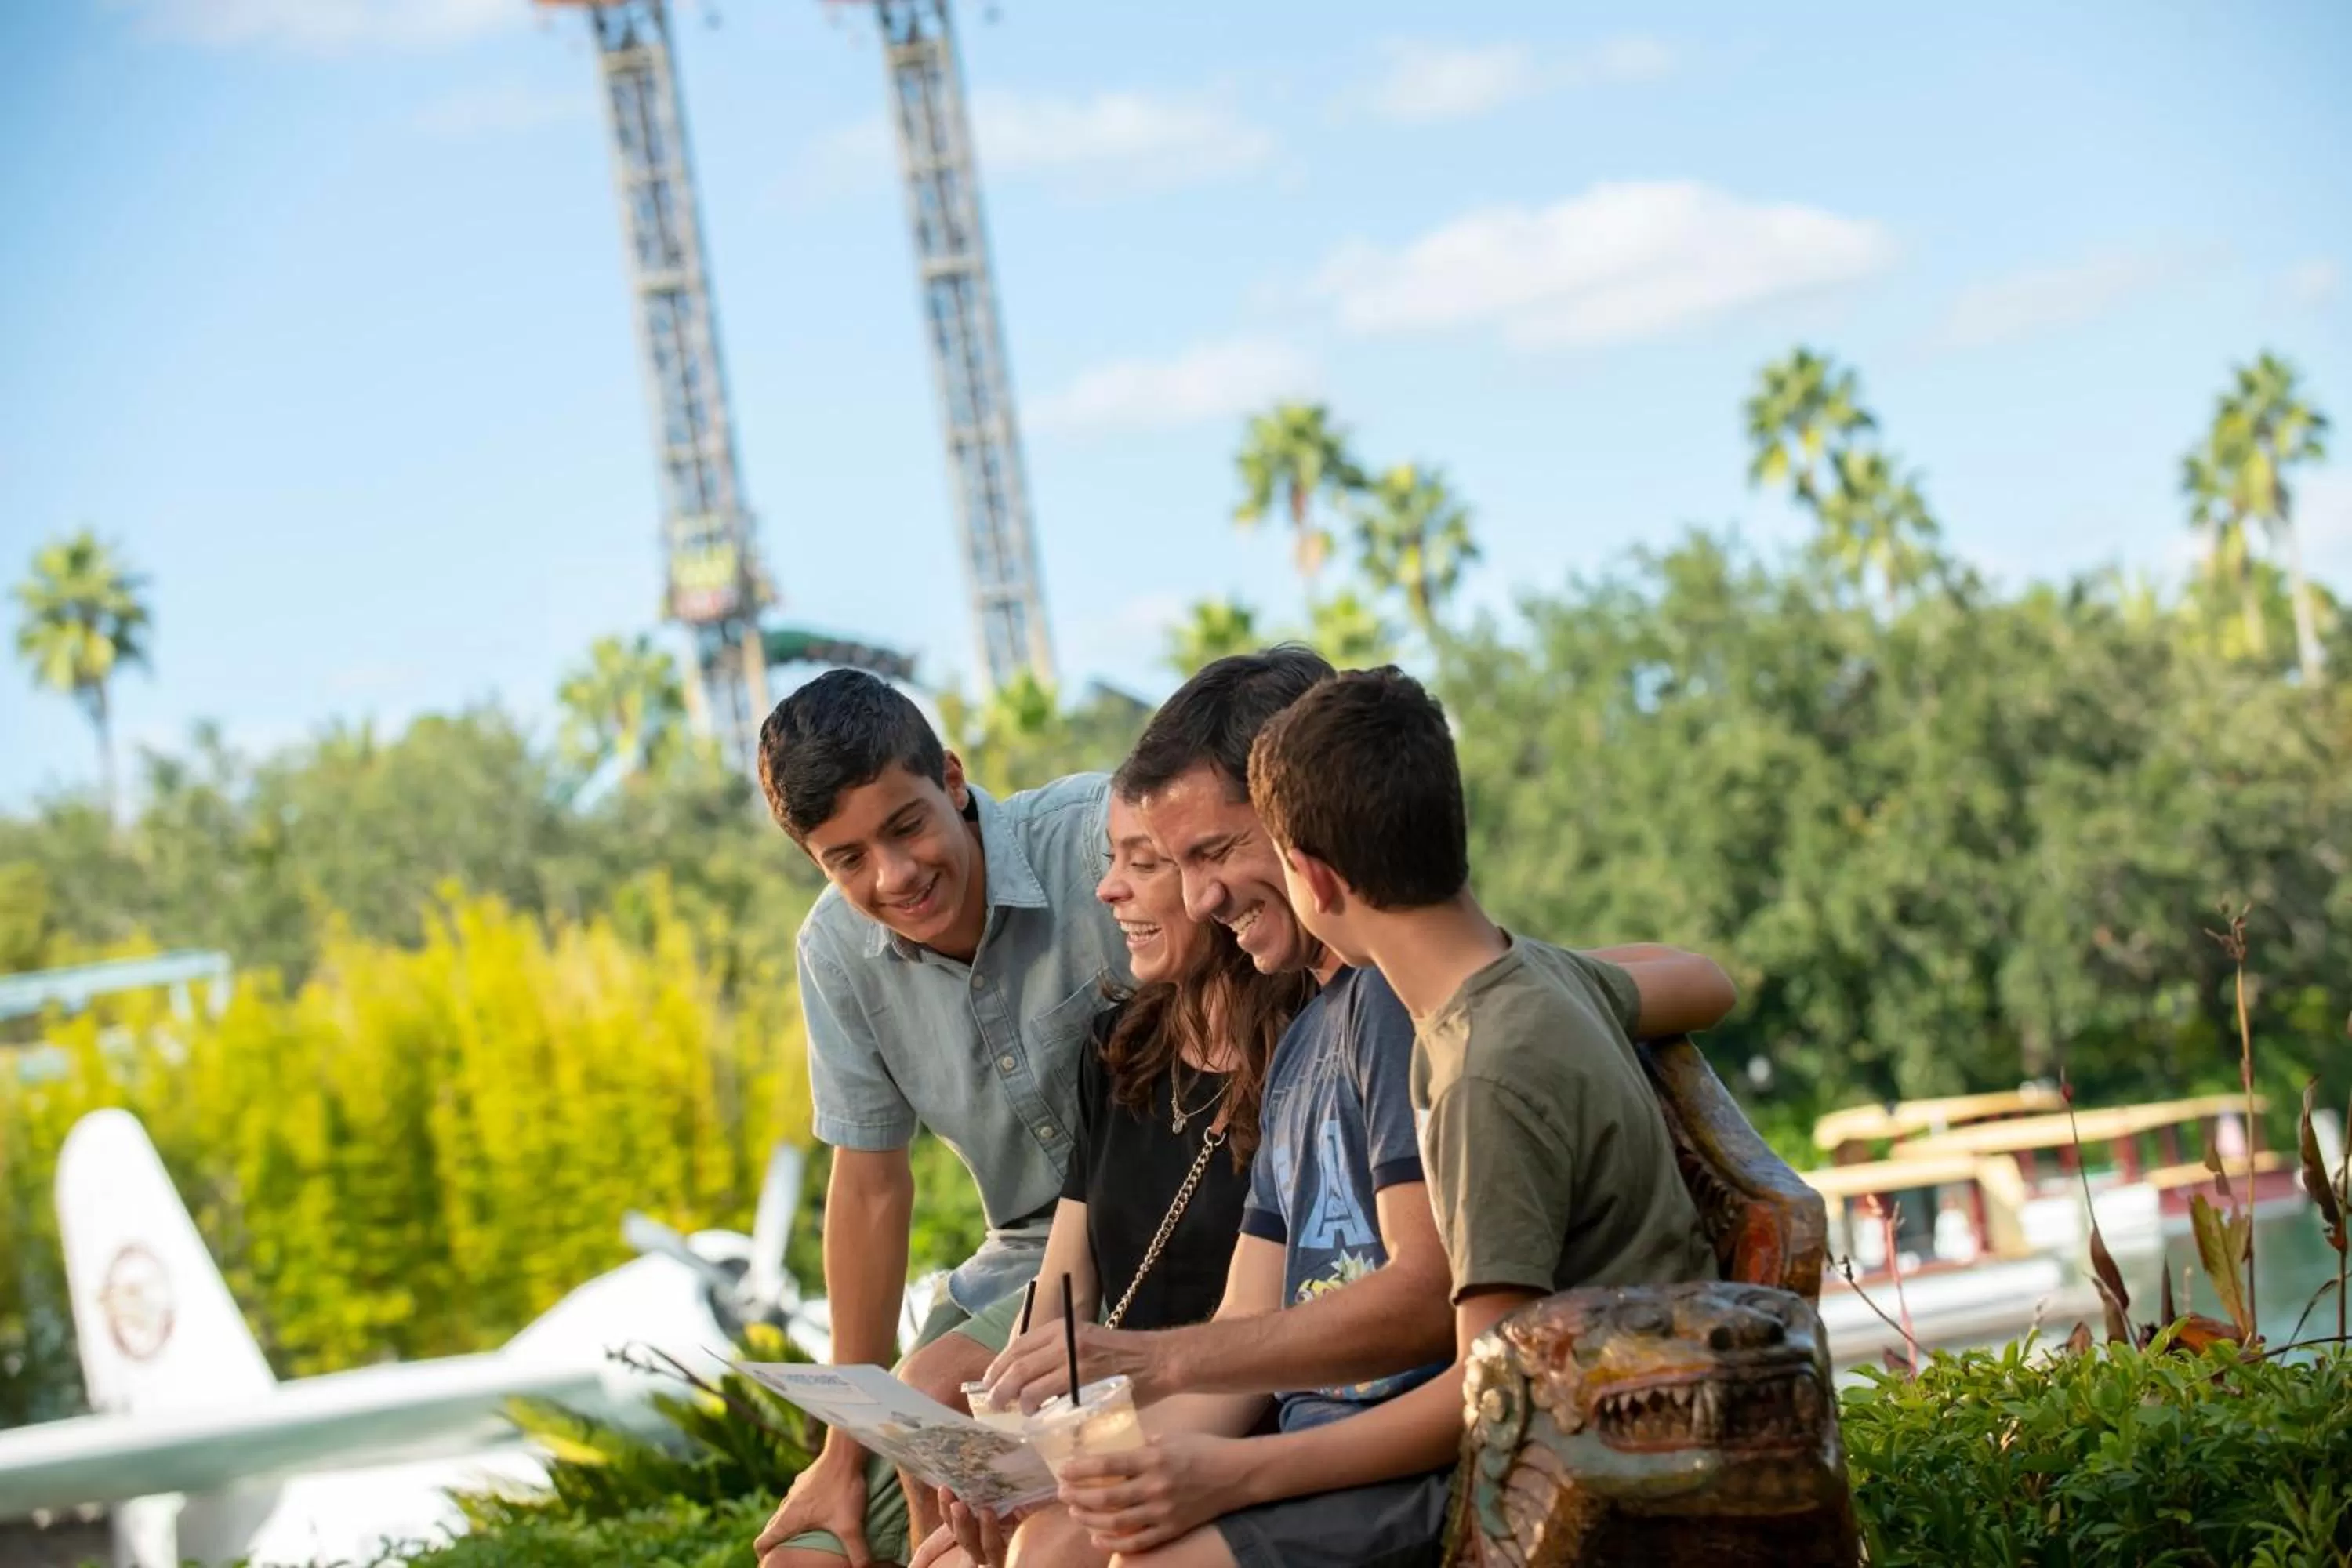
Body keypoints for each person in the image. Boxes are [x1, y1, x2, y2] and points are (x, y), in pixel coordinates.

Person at [970, 648, 1735, 1568]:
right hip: (1390, 1456)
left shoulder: (1458, 1040)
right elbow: (1241, 1324)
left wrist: (1203, 1436)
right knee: (1051, 1543)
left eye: (1209, 853)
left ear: (1307, 858)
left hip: (1489, 1479)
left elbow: (1481, 1377)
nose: (1200, 897)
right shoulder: (1316, 1041)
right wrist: (1096, 1461)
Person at [750, 670, 1131, 1568]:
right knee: (808, 1550)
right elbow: (870, 1188)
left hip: (1162, 1238)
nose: (893, 874)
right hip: (1016, 1272)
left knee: (951, 1425)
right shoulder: (836, 952)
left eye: (905, 824)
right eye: (846, 858)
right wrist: (843, 1453)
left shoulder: (1097, 843)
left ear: (952, 779)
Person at [904, 787, 1313, 1567]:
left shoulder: (1303, 1057)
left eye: (1143, 861)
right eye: (1110, 857)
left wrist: (1074, 1483)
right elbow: (1061, 1294)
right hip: (1108, 1419)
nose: (1107, 888)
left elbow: (1250, 1366)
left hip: (1219, 1429)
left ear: (1216, 879)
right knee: (945, 1556)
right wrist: (1007, 1456)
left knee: (1047, 1547)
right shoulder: (1119, 1043)